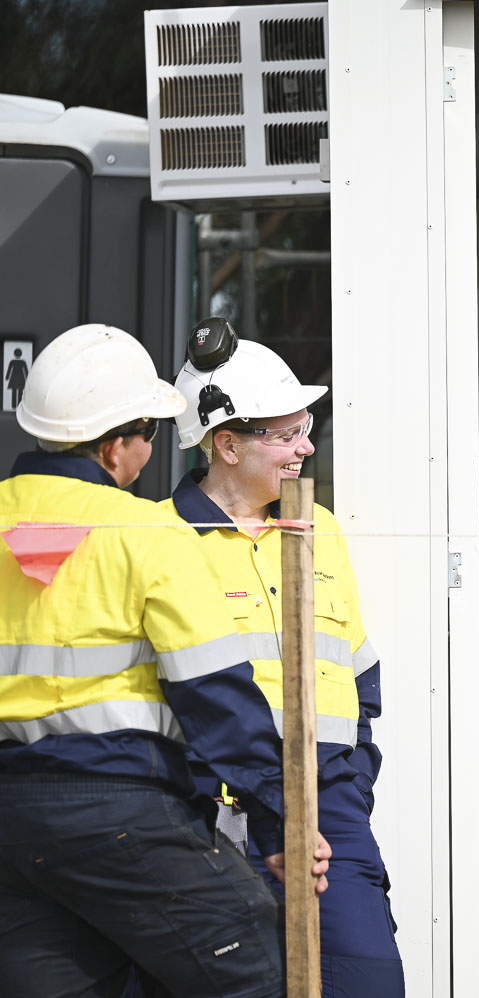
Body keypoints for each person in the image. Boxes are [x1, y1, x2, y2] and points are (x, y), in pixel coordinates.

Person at [0, 323, 330, 998]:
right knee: (259, 967)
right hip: (120, 808)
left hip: (12, 821)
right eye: (149, 434)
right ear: (118, 441)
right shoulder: (148, 529)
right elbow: (216, 695)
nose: (151, 452)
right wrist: (277, 823)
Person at [167, 317, 403, 997]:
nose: (305, 448)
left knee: (368, 981)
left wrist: (350, 784)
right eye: (286, 434)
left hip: (329, 802)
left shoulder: (319, 528)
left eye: (307, 428)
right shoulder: (164, 539)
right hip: (208, 811)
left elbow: (359, 673)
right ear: (228, 443)